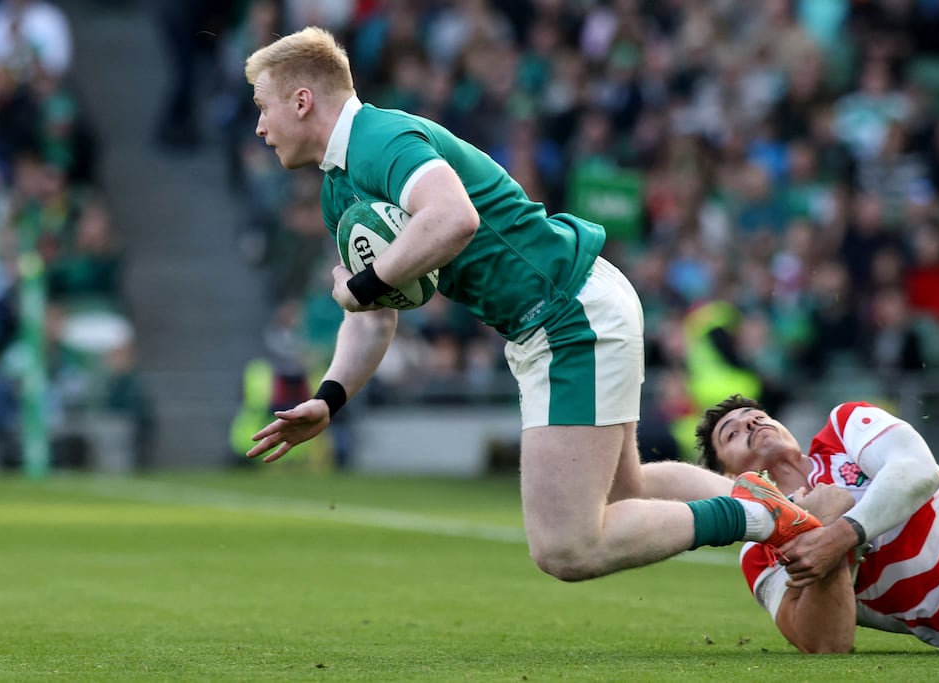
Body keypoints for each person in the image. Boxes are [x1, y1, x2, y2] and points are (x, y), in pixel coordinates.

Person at [240, 26, 823, 582]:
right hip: (570, 305)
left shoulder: (378, 138)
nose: (260, 126)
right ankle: (786, 507)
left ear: (301, 100)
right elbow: (371, 321)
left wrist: (362, 284)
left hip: (567, 312)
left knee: (567, 546)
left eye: (263, 106)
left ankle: (769, 518)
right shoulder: (338, 187)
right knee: (628, 494)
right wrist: (330, 397)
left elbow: (453, 219)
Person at [695, 394, 939, 654]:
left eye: (758, 416)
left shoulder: (843, 428)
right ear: (729, 477)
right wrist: (820, 527)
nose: (751, 423)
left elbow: (918, 471)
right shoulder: (759, 548)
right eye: (732, 433)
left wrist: (842, 534)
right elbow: (824, 644)